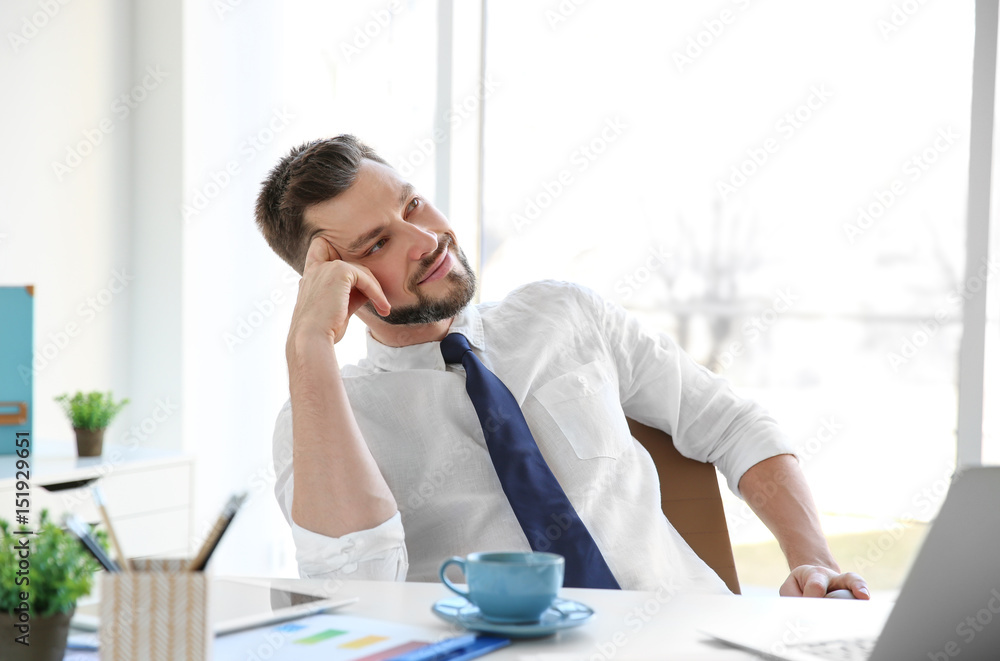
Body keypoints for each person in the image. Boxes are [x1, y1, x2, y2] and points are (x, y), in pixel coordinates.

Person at [254, 134, 868, 598]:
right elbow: (360, 592)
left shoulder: (563, 314)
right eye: (377, 243)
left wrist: (810, 558)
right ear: (331, 280)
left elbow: (732, 424)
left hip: (690, 637)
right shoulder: (322, 420)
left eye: (412, 205)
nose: (425, 239)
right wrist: (308, 346)